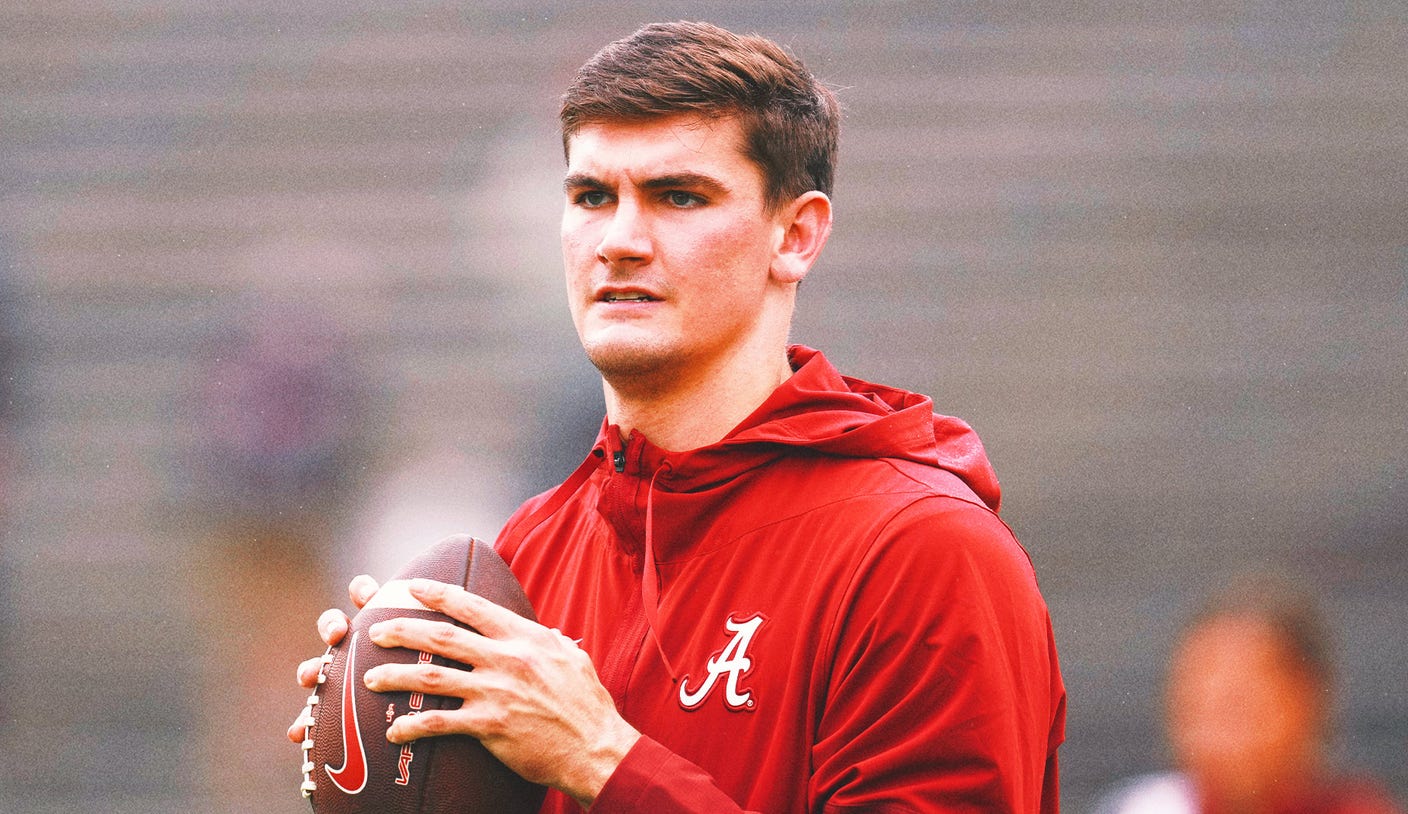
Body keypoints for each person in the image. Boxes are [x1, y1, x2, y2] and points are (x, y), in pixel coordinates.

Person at [289, 20, 1066, 813]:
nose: (619, 241)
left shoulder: (926, 554)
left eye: (678, 197)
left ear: (796, 235)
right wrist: (387, 755)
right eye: (593, 197)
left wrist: (605, 759)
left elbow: (601, 760)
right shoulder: (530, 552)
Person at [1094, 573, 1402, 814]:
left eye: (1238, 706)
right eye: (1197, 705)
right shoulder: (1141, 807)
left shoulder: (1356, 809)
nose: (1212, 734)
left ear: (1306, 702)